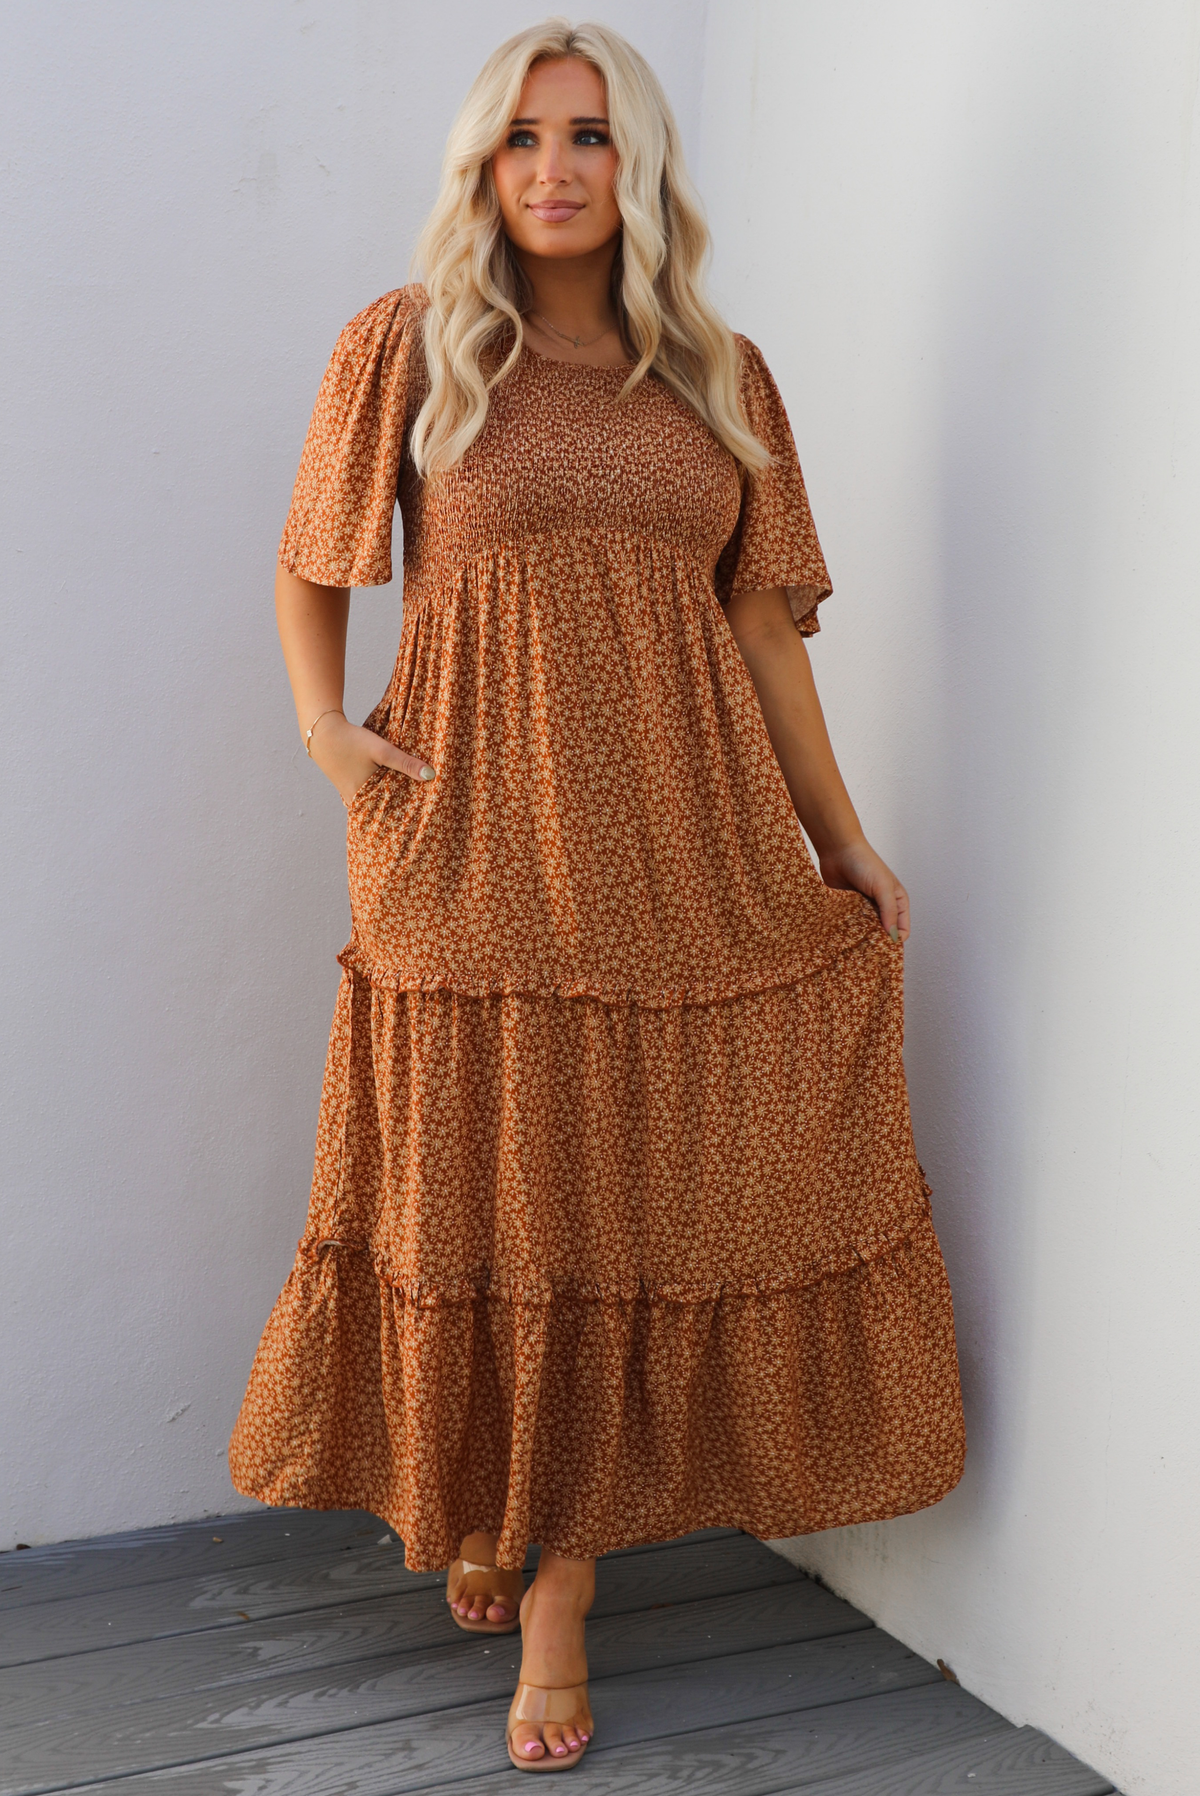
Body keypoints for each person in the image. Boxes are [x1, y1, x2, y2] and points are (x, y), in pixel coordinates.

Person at [230, 19, 965, 1773]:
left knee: (618, 1201)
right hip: (468, 834)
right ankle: (485, 1497)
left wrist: (839, 838)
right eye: (522, 138)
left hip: (682, 843)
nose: (555, 168)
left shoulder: (719, 370)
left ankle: (561, 1585)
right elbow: (308, 557)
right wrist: (329, 734)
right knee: (494, 1187)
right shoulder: (405, 350)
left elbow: (763, 626)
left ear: (640, 169)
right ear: (482, 167)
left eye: (593, 137)